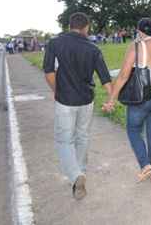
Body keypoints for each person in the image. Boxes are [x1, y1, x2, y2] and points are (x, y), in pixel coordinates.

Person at [42, 12, 112, 200]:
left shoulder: (55, 43)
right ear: (86, 27)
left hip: (65, 100)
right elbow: (105, 77)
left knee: (64, 140)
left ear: (69, 25)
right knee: (82, 137)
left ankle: (76, 176)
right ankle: (80, 174)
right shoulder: (93, 47)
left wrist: (56, 91)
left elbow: (48, 72)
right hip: (86, 100)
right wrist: (111, 98)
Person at [103, 18, 151, 184]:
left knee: (133, 130)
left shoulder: (136, 46)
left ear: (140, 31)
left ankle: (145, 165)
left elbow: (124, 75)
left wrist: (112, 98)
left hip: (143, 98)